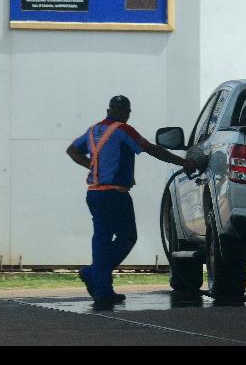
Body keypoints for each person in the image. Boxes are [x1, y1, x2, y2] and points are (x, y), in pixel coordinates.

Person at [66, 95, 197, 305]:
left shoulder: (93, 131)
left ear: (108, 109)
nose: (127, 116)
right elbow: (151, 149)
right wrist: (183, 163)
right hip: (115, 194)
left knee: (101, 240)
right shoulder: (124, 130)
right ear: (124, 112)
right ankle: (94, 274)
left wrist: (91, 167)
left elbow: (72, 150)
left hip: (94, 193)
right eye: (128, 112)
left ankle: (102, 289)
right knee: (127, 237)